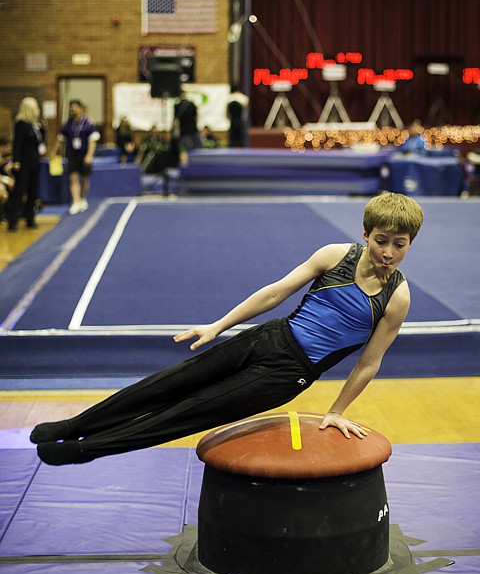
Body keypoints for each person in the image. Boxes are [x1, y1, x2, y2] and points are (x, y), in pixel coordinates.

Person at [31, 192, 424, 466]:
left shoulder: (396, 298)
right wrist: (217, 326)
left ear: (410, 245)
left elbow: (369, 363)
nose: (388, 252)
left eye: (399, 245)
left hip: (288, 375)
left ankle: (88, 449)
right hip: (267, 336)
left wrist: (336, 410)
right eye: (381, 241)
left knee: (187, 412)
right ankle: (74, 425)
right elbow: (274, 294)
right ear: (365, 234)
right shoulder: (335, 255)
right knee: (166, 383)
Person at [51, 99, 100, 215]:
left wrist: (89, 155)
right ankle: (76, 201)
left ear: (80, 109)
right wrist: (53, 152)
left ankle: (82, 198)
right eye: (71, 108)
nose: (72, 110)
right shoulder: (67, 125)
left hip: (84, 155)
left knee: (84, 179)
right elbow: (60, 139)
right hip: (72, 155)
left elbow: (92, 140)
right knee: (73, 177)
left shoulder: (88, 124)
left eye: (74, 108)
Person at [7, 97, 46, 231]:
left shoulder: (34, 125)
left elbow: (39, 143)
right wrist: (16, 160)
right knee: (20, 191)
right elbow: (17, 143)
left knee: (33, 191)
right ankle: (13, 221)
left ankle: (30, 218)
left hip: (35, 162)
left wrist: (43, 130)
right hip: (23, 163)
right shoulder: (21, 124)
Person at [172, 91, 202, 164]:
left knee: (183, 151)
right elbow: (196, 118)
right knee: (198, 150)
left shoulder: (177, 106)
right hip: (194, 131)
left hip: (183, 132)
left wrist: (176, 133)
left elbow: (176, 121)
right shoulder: (192, 105)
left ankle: (184, 168)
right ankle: (197, 166)